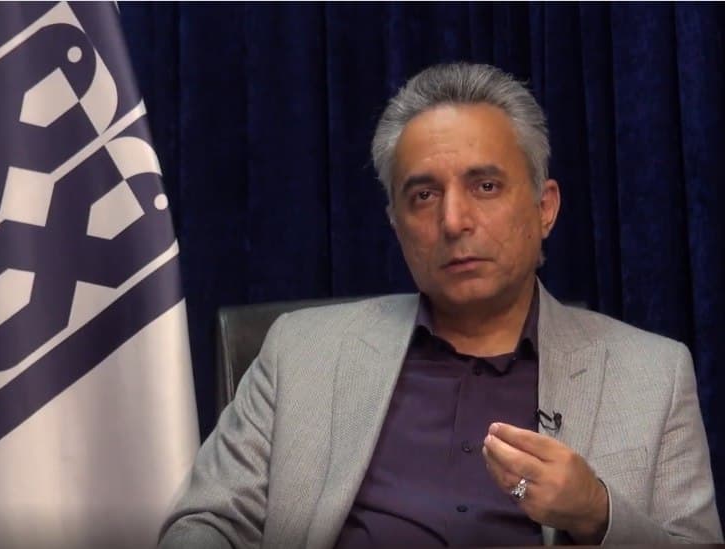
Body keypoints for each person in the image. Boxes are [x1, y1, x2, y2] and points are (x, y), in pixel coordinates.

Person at [159, 63, 722, 547]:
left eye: (485, 186)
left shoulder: (652, 375)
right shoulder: (300, 352)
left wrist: (598, 513)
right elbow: (206, 523)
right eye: (424, 195)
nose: (453, 221)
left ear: (544, 208)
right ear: (396, 224)